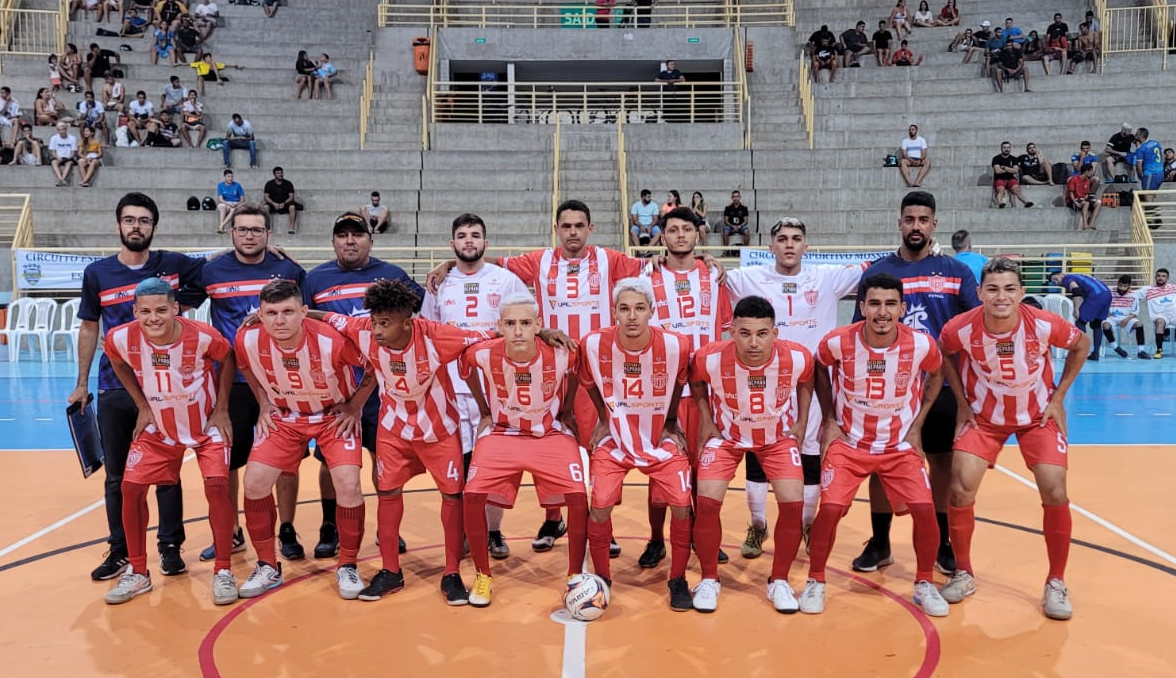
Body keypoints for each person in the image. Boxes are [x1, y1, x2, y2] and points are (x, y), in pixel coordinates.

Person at [428, 199, 648, 556]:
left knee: (596, 447)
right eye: (566, 226)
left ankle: (600, 523)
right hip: (550, 368)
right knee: (547, 441)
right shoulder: (538, 261)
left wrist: (707, 263)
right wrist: (450, 263)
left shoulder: (610, 259)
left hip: (594, 370)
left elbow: (659, 266)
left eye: (579, 225)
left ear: (590, 228)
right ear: (556, 229)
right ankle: (552, 519)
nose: (573, 231)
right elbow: (487, 262)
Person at [311, 279, 488, 604]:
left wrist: (542, 334)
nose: (377, 329)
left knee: (452, 497)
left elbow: (488, 337)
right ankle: (390, 570)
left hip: (439, 431)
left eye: (385, 323)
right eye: (375, 321)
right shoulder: (363, 329)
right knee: (387, 493)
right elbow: (324, 317)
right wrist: (295, 314)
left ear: (408, 322)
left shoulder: (436, 335)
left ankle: (451, 573)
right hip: (393, 431)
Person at [940, 258, 1089, 621]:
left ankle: (1056, 581)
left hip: (1037, 417)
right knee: (960, 489)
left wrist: (1058, 399)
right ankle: (964, 573)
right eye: (992, 289)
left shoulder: (1042, 323)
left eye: (1009, 289)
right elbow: (944, 353)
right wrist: (961, 402)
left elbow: (1081, 344)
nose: (1000, 296)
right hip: (984, 418)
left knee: (1054, 488)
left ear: (1022, 293)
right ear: (979, 293)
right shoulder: (960, 328)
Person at [69, 192, 207, 583]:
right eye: (129, 220)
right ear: (118, 226)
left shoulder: (175, 266)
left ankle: (169, 547)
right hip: (115, 386)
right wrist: (81, 384)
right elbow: (90, 326)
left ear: (153, 228)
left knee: (167, 472)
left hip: (167, 388)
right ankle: (121, 550)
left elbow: (219, 274)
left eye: (144, 221)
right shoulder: (98, 273)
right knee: (117, 475)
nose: (136, 227)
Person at [799, 273, 949, 617]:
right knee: (832, 510)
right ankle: (816, 580)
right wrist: (831, 421)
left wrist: (917, 426)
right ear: (862, 306)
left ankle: (924, 582)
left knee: (926, 512)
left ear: (902, 308)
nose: (882, 312)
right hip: (849, 444)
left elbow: (937, 375)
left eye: (891, 304)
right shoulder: (837, 342)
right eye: (875, 303)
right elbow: (820, 369)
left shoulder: (923, 344)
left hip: (898, 446)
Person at [850, 191, 980, 576]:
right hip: (887, 387)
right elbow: (862, 326)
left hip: (940, 386)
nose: (916, 226)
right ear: (900, 222)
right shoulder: (877, 272)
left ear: (934, 224)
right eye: (910, 219)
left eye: (924, 220)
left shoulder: (957, 272)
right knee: (879, 462)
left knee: (941, 462)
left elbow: (973, 327)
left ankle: (941, 542)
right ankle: (882, 541)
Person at [724, 218, 866, 558]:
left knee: (811, 454)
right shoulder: (749, 278)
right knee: (759, 453)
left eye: (797, 238)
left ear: (806, 245)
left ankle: (806, 523)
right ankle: (758, 525)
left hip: (814, 385)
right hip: (764, 384)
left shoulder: (827, 277)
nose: (789, 244)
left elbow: (879, 267)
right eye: (782, 239)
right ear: (770, 247)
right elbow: (706, 275)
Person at [100, 278, 238, 606]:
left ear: (176, 308)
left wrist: (221, 409)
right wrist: (143, 405)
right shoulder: (119, 338)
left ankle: (223, 570)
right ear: (134, 311)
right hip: (160, 427)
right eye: (145, 311)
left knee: (218, 484)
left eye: (161, 309)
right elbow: (117, 362)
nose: (153, 318)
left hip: (205, 425)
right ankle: (137, 572)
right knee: (130, 489)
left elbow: (228, 357)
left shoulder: (203, 335)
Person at [234, 279, 374, 600]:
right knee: (254, 482)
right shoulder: (247, 338)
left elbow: (373, 364)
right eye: (271, 313)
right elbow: (245, 367)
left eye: (287, 312)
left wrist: (355, 405)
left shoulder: (332, 340)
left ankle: (348, 565)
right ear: (260, 314)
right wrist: (264, 403)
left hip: (332, 417)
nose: (279, 321)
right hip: (285, 417)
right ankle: (267, 565)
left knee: (349, 484)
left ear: (304, 312)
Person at [303, 212, 426, 559]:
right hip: (334, 389)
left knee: (382, 458)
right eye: (342, 235)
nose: (350, 240)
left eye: (357, 234)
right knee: (330, 462)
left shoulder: (392, 275)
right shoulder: (315, 279)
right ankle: (330, 526)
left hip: (383, 389)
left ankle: (389, 529)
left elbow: (421, 311)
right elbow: (300, 321)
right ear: (333, 242)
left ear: (370, 240)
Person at [459, 292, 589, 607]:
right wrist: (485, 410)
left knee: (578, 495)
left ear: (538, 326)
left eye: (526, 323)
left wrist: (568, 408)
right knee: (472, 494)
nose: (518, 331)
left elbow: (577, 370)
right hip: (503, 433)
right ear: (500, 326)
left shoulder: (561, 353)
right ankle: (482, 576)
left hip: (549, 434)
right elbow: (465, 366)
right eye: (511, 323)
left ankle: (574, 575)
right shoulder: (484, 353)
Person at [689, 295, 813, 612]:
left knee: (792, 503)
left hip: (776, 439)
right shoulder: (710, 357)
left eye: (761, 333)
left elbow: (807, 381)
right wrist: (705, 419)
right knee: (705, 503)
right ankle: (709, 579)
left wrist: (801, 422)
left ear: (775, 333)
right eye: (745, 333)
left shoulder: (797, 357)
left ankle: (780, 581)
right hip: (726, 437)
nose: (753, 342)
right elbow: (696, 380)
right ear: (732, 331)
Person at [579, 277, 696, 610]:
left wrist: (671, 421)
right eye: (624, 309)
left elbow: (679, 382)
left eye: (640, 309)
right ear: (614, 311)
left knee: (682, 504)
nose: (632, 316)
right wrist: (604, 417)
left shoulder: (677, 345)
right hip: (615, 438)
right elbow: (587, 382)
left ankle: (677, 578)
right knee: (600, 504)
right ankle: (603, 578)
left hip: (659, 438)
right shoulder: (591, 344)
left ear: (652, 311)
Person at [199, 204, 307, 564]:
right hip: (231, 384)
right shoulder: (211, 270)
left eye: (256, 230)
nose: (249, 235)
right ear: (231, 232)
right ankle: (230, 532)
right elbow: (172, 298)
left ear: (268, 235)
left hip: (283, 382)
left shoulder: (288, 270)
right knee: (227, 459)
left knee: (286, 461)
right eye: (242, 229)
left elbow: (309, 311)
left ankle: (287, 529)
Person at [420, 213, 529, 561]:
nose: (469, 240)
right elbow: (427, 332)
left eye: (475, 235)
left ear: (486, 242)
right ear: (453, 245)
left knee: (495, 461)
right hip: (451, 386)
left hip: (497, 387)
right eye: (462, 236)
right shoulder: (439, 284)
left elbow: (527, 326)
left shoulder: (507, 281)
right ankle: (468, 531)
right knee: (462, 463)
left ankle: (493, 530)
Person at [641, 208, 734, 568]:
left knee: (705, 469)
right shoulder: (645, 277)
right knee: (661, 467)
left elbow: (726, 330)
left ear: (698, 236)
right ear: (662, 237)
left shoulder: (714, 275)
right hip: (661, 393)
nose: (680, 235)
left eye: (687, 230)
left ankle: (703, 534)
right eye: (673, 230)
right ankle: (655, 540)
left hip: (705, 391)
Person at [1049, 270, 1112, 360]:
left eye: (1056, 279)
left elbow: (1076, 291)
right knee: (1096, 324)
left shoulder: (1066, 279)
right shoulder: (1077, 276)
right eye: (1054, 282)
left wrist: (1076, 309)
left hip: (1096, 296)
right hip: (1107, 294)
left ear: (1061, 274)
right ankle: (1095, 353)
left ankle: (1081, 351)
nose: (1056, 282)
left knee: (1080, 322)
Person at [1103, 274, 1149, 359]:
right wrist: (1105, 312)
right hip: (1111, 317)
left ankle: (1141, 351)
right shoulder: (1110, 292)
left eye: (1125, 286)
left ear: (1129, 286)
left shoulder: (1134, 295)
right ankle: (1115, 347)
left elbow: (1135, 312)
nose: (1122, 288)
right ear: (1117, 283)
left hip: (1126, 318)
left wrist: (1127, 319)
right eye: (1120, 285)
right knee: (1105, 326)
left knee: (1139, 324)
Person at [1133, 268, 1176, 359]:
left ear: (1167, 278)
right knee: (1160, 322)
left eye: (1163, 276)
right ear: (1155, 277)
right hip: (1160, 316)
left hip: (1174, 315)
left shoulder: (1173, 287)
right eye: (1158, 276)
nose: (1160, 278)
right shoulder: (1147, 290)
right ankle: (1159, 350)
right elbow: (1131, 295)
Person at [992, 141, 1033, 207]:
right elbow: (998, 171)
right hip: (999, 179)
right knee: (1001, 190)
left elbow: (1016, 171)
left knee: (1017, 190)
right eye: (1004, 147)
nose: (1006, 149)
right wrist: (1010, 170)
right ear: (1001, 148)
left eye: (1008, 147)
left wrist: (1005, 167)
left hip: (1010, 178)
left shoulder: (1014, 159)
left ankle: (1026, 202)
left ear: (1010, 148)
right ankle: (1000, 203)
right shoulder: (996, 159)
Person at [263, 166, 300, 234]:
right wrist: (273, 203)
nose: (280, 174)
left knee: (292, 207)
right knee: (265, 207)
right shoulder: (269, 184)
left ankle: (291, 229)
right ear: (274, 175)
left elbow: (291, 197)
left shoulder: (288, 183)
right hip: (273, 204)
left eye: (281, 173)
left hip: (285, 204)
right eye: (278, 173)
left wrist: (284, 203)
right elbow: (266, 197)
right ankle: (268, 228)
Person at [1065, 163, 1101, 231]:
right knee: (1086, 203)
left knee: (1098, 202)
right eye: (1091, 171)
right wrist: (1075, 202)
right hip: (1073, 200)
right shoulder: (1074, 179)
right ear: (1087, 171)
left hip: (1082, 199)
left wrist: (1089, 199)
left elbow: (1086, 194)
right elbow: (1071, 193)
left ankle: (1091, 224)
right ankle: (1085, 224)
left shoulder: (1087, 180)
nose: (1092, 173)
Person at [48, 122, 79, 187]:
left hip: (68, 157)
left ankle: (63, 178)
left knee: (69, 163)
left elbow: (73, 152)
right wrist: (57, 157)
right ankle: (60, 179)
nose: (61, 131)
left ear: (66, 130)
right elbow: (53, 152)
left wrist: (69, 157)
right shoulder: (54, 138)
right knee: (54, 162)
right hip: (58, 156)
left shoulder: (72, 138)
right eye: (59, 130)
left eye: (63, 129)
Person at [1135, 127, 1164, 194]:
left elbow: (1139, 166)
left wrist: (1141, 176)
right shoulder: (1155, 143)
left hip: (1150, 174)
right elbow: (1162, 155)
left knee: (1147, 195)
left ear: (1140, 135)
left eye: (1136, 134)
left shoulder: (1141, 148)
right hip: (1160, 173)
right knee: (1153, 194)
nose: (1135, 135)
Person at [216, 169, 245, 234]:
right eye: (228, 176)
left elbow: (243, 199)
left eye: (232, 176)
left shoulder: (237, 185)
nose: (230, 178)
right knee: (221, 206)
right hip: (226, 202)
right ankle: (221, 227)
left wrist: (237, 204)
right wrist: (227, 203)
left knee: (233, 209)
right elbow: (220, 199)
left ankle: (221, 226)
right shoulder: (220, 185)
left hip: (235, 202)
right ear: (225, 177)